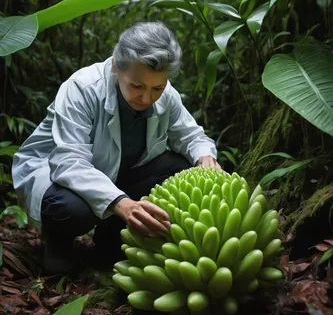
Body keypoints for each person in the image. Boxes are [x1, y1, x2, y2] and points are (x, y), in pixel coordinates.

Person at [12, 22, 221, 274]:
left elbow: (191, 135)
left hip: (119, 173)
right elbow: (69, 162)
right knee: (70, 209)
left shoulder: (166, 95)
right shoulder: (82, 88)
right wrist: (123, 204)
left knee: (182, 167)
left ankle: (110, 237)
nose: (146, 98)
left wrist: (205, 157)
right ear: (115, 66)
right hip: (55, 176)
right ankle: (58, 239)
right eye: (137, 86)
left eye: (157, 87)